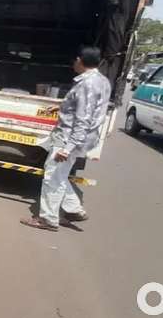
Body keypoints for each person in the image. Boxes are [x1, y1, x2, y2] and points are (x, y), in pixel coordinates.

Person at [21, 47, 111, 232]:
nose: (73, 64)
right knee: (60, 174)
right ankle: (73, 209)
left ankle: (48, 219)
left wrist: (67, 148)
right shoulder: (102, 81)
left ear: (80, 60)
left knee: (52, 176)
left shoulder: (87, 84)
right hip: (82, 138)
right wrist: (63, 108)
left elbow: (83, 118)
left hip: (70, 138)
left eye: (75, 60)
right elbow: (85, 109)